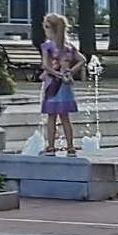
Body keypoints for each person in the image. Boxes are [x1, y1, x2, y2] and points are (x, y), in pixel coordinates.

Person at [40, 12, 86, 155]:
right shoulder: (68, 46)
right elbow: (82, 60)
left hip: (52, 85)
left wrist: (56, 74)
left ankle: (51, 146)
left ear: (50, 28)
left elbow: (45, 66)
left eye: (46, 27)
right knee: (65, 117)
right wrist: (70, 72)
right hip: (65, 85)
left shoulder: (47, 46)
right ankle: (70, 146)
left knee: (51, 117)